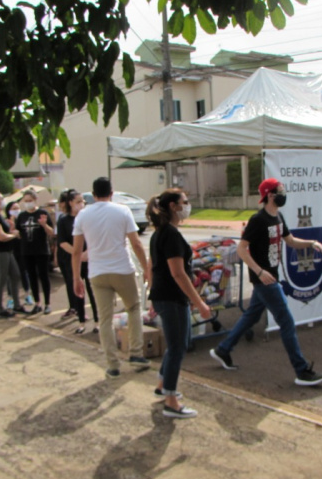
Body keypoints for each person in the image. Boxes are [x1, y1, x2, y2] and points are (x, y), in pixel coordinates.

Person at [210, 178, 322, 386]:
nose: (283, 193)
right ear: (269, 195)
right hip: (264, 279)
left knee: (251, 316)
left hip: (271, 276)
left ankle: (223, 350)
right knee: (287, 321)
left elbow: (290, 241)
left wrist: (312, 243)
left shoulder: (278, 217)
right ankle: (301, 371)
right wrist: (259, 271)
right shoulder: (258, 220)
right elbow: (241, 249)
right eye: (279, 190)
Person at [73, 177, 151, 378]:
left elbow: (76, 251)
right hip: (122, 269)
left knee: (105, 319)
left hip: (97, 272)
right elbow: (136, 243)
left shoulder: (83, 215)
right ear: (112, 192)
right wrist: (146, 269)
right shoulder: (122, 210)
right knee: (133, 308)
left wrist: (76, 278)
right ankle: (135, 353)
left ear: (93, 193)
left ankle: (112, 364)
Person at [147, 189, 213, 419]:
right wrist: (199, 302)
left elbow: (153, 267)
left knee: (181, 342)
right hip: (171, 297)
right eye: (185, 202)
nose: (188, 205)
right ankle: (171, 401)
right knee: (177, 348)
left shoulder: (162, 233)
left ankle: (163, 385)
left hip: (168, 296)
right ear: (174, 206)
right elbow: (178, 273)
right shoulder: (170, 235)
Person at [57, 189, 99, 334]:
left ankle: (97, 322)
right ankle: (81, 322)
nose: (81, 204)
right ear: (70, 203)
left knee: (93, 290)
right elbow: (62, 241)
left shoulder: (87, 217)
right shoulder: (63, 220)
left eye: (83, 201)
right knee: (78, 291)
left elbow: (95, 236)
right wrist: (77, 253)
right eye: (78, 202)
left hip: (89, 258)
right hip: (74, 260)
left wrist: (87, 253)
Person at [0, 192, 26, 318]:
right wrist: (14, 235)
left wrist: (11, 227)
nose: (3, 201)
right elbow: (0, 236)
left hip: (7, 250)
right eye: (1, 199)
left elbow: (6, 231)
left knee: (15, 275)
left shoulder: (0, 216)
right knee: (1, 279)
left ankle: (17, 305)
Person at [15, 189, 54, 314]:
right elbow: (18, 232)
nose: (28, 203)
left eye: (30, 201)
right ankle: (37, 302)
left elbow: (52, 233)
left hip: (41, 250)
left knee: (44, 276)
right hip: (27, 251)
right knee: (32, 277)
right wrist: (15, 233)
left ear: (35, 200)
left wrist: (43, 224)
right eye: (25, 201)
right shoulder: (21, 216)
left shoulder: (42, 213)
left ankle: (47, 303)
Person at [5, 200, 34, 307]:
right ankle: (10, 298)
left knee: (24, 272)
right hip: (10, 250)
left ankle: (27, 295)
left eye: (17, 208)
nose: (16, 211)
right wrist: (12, 226)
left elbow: (22, 235)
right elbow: (6, 235)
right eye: (13, 209)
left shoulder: (22, 220)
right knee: (11, 275)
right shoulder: (5, 222)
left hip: (21, 250)